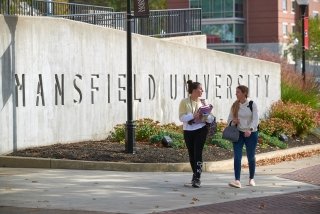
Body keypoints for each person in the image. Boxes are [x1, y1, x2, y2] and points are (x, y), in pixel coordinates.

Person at [179, 80, 215, 188]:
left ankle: (197, 178)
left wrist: (204, 116)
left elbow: (211, 118)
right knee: (191, 154)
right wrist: (193, 116)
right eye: (200, 89)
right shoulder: (184, 102)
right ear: (194, 90)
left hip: (201, 129)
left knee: (197, 153)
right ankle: (195, 175)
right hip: (188, 131)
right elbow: (181, 117)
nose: (202, 91)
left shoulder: (204, 102)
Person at [227, 85, 259, 188]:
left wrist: (250, 129)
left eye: (238, 92)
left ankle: (251, 179)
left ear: (244, 93)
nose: (236, 94)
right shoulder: (235, 105)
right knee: (237, 156)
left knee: (251, 156)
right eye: (236, 92)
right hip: (238, 134)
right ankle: (237, 180)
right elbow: (229, 120)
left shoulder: (252, 104)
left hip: (251, 133)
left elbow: (256, 120)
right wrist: (233, 121)